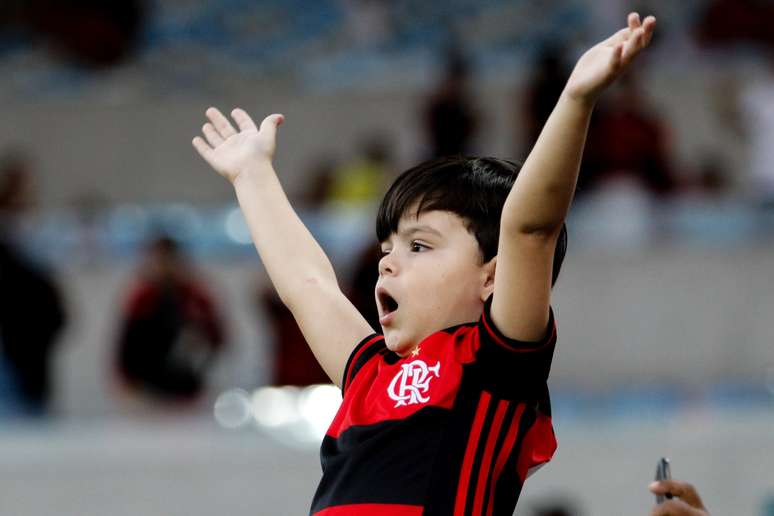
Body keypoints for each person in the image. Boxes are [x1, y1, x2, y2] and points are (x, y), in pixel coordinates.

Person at [192, 12, 655, 515]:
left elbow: (529, 229)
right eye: (388, 248)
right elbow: (308, 285)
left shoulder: (494, 365)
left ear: (493, 276)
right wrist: (252, 175)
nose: (388, 264)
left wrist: (576, 99)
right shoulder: (368, 373)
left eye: (419, 246)